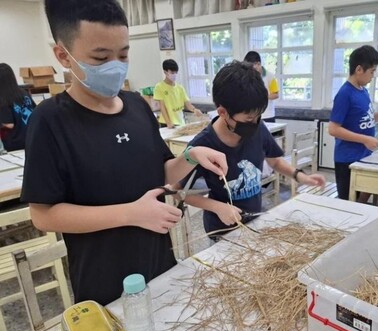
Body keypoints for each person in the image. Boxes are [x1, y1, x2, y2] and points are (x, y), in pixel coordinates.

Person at [21, 0, 228, 306]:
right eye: (101, 57)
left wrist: (190, 156)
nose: (115, 66)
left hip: (161, 269)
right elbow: (43, 215)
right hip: (104, 284)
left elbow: (160, 174)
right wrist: (130, 214)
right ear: (63, 55)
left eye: (123, 54)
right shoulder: (50, 121)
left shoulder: (137, 106)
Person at [173, 60, 325, 238]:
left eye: (258, 116)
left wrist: (300, 176)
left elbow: (274, 160)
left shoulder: (258, 128)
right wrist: (217, 207)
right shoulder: (202, 146)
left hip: (254, 223)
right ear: (223, 112)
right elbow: (176, 191)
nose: (255, 123)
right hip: (222, 232)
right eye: (248, 119)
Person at [328, 45, 378, 202]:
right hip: (348, 159)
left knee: (363, 198)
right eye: (371, 72)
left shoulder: (363, 91)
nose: (373, 76)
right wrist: (365, 139)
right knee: (348, 204)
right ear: (359, 69)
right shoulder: (345, 93)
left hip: (365, 155)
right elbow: (333, 129)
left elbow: (368, 118)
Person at [153, 59, 202, 128]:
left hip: (180, 122)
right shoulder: (159, 87)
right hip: (166, 122)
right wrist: (168, 123)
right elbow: (162, 107)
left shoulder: (180, 88)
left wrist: (194, 110)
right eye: (172, 73)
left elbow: (187, 104)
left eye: (176, 72)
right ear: (165, 72)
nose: (174, 75)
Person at [0, 63, 37, 152]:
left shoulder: (3, 98)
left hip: (15, 143)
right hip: (32, 138)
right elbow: (36, 112)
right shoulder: (24, 93)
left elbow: (9, 124)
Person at [243, 51, 279, 123]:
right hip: (251, 116)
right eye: (252, 65)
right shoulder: (245, 77)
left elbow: (276, 95)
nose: (255, 67)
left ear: (259, 63)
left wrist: (262, 97)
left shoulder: (270, 76)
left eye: (257, 64)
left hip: (267, 115)